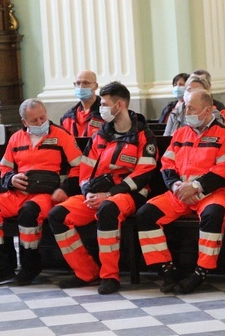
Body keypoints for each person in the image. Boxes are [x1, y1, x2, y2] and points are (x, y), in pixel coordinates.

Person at [48, 81, 158, 294]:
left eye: (105, 104)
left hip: (128, 194)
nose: (101, 109)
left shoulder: (144, 135)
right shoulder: (100, 135)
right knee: (58, 214)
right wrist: (88, 192)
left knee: (108, 209)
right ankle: (86, 272)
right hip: (96, 193)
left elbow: (143, 175)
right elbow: (85, 169)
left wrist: (108, 194)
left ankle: (110, 276)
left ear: (120, 105)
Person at [135, 88, 225, 294]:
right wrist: (175, 185)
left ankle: (201, 272)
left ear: (207, 110)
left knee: (213, 214)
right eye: (185, 107)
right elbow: (167, 164)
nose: (186, 111)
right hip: (179, 193)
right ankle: (167, 269)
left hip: (211, 193)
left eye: (191, 107)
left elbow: (224, 171)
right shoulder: (180, 133)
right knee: (145, 214)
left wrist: (196, 186)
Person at [0, 98, 82, 287]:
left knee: (29, 212)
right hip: (18, 192)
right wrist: (11, 179)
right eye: (34, 121)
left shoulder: (61, 135)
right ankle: (2, 269)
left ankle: (30, 266)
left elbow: (79, 167)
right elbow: (4, 168)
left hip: (45, 195)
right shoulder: (16, 138)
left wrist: (64, 189)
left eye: (43, 117)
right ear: (24, 122)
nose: (40, 123)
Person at [60, 70, 103, 137]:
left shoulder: (105, 113)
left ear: (96, 86)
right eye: (78, 83)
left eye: (85, 83)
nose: (81, 87)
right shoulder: (67, 117)